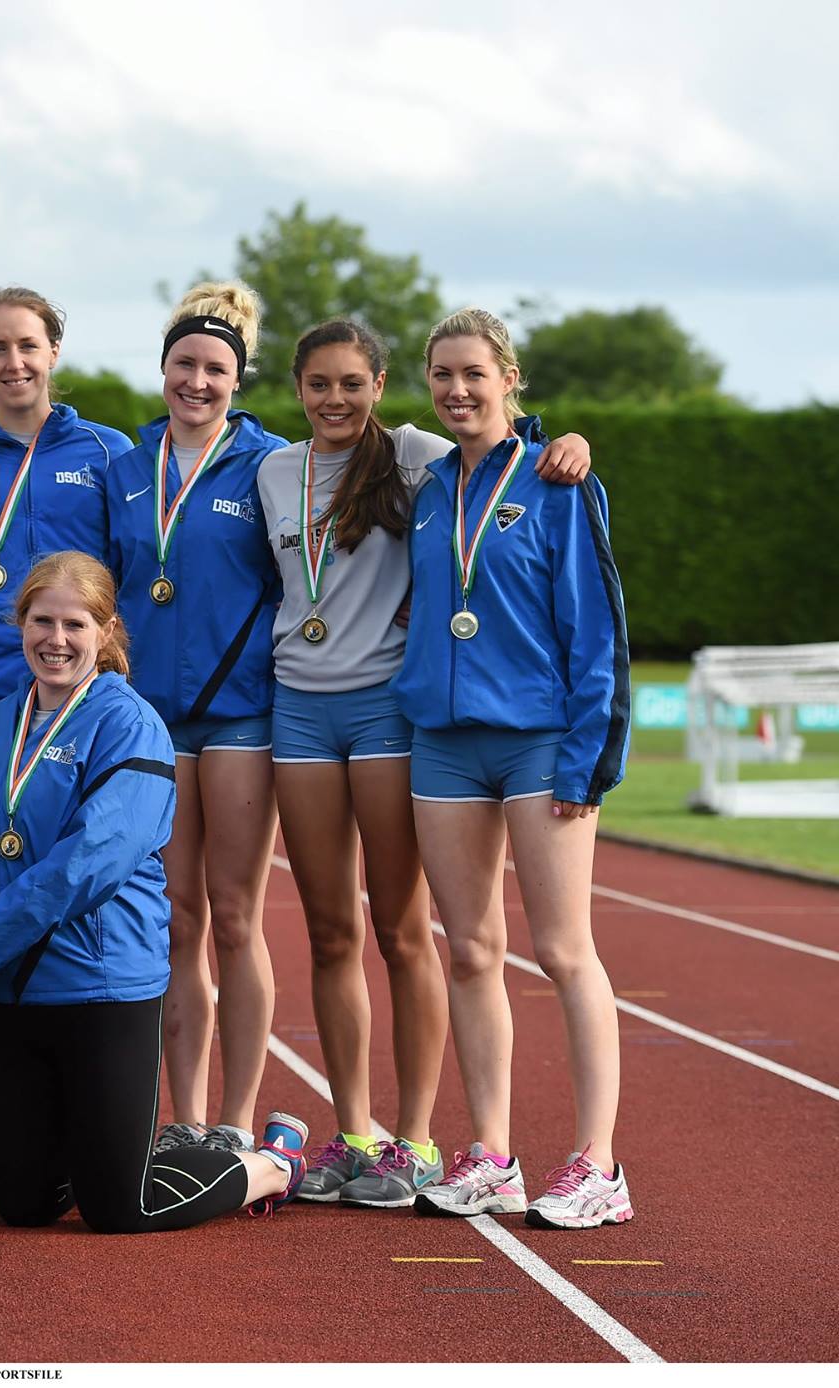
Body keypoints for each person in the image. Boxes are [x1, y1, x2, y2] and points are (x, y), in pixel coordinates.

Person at [258, 319, 595, 1207]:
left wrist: (569, 438)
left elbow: (504, 440)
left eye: (353, 384)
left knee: (408, 930)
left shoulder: (415, 458)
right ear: (297, 389)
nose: (336, 399)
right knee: (332, 931)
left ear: (378, 386)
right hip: (302, 708)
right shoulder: (275, 471)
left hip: (392, 712)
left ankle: (420, 1141)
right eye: (318, 384)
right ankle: (357, 1131)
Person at [0, 552, 308, 1232]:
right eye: (41, 621)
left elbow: (87, 865)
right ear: (19, 622)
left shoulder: (130, 723)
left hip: (100, 986)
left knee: (121, 1206)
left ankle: (270, 1163)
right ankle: (90, 1148)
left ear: (107, 630)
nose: (55, 640)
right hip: (8, 992)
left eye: (75, 624)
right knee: (24, 1205)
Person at [393, 309, 632, 1228]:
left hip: (541, 742)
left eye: (474, 374)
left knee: (564, 950)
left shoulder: (560, 482)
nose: (458, 390)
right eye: (443, 375)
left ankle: (598, 1163)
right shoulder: (428, 488)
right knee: (470, 951)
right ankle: (492, 1153)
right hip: (445, 741)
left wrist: (589, 759)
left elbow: (598, 631)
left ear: (509, 378)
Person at [101, 281, 288, 1158]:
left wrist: (552, 439)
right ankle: (184, 1118)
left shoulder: (274, 465)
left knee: (237, 914)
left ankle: (239, 1121)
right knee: (176, 919)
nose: (199, 381)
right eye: (185, 364)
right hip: (152, 723)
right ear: (164, 369)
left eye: (216, 368)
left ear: (237, 378)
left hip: (242, 715)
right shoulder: (125, 468)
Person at [0, 288, 131, 716]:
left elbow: (127, 566)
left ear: (54, 352)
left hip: (78, 676)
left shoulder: (107, 451)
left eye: (28, 345)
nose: (14, 362)